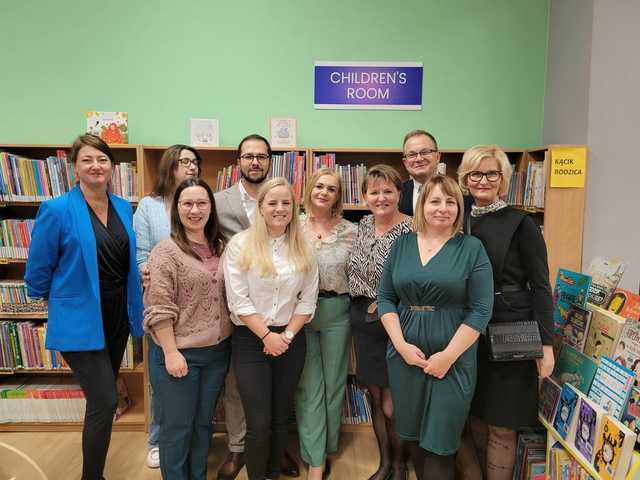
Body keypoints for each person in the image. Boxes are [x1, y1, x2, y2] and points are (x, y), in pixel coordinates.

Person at [25, 134, 144, 480]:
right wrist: (60, 301)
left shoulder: (124, 206)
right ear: (75, 167)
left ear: (111, 166)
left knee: (100, 403)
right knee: (107, 400)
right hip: (80, 319)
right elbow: (38, 269)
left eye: (102, 160)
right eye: (88, 160)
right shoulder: (57, 209)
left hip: (118, 314)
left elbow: (125, 258)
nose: (96, 166)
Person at [377, 175, 494, 480]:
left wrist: (448, 357)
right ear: (422, 205)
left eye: (450, 201)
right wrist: (401, 346)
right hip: (406, 356)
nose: (443, 208)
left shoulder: (471, 248)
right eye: (435, 201)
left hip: (452, 359)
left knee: (441, 444)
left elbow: (481, 309)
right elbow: (386, 299)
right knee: (413, 437)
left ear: (459, 208)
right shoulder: (401, 244)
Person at [456, 145, 555, 480]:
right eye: (475, 174)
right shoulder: (456, 216)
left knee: (502, 425)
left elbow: (541, 286)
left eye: (491, 173)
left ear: (503, 179)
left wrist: (546, 345)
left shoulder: (521, 223)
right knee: (474, 418)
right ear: (465, 178)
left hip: (510, 332)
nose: (483, 180)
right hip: (466, 332)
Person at [214, 134, 302, 479]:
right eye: (248, 156)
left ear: (270, 160)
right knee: (243, 396)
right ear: (238, 161)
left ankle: (271, 457)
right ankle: (240, 452)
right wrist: (266, 334)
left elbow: (306, 294)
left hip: (286, 325)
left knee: (278, 408)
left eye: (261, 156)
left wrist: (286, 333)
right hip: (246, 320)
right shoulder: (219, 203)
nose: (255, 161)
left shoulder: (296, 233)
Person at [223, 177, 319, 480]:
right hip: (251, 340)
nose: (280, 208)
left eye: (286, 203)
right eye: (272, 203)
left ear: (294, 208)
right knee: (259, 421)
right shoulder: (240, 244)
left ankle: (273, 473)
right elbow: (238, 301)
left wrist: (285, 336)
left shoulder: (304, 246)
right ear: (260, 207)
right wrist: (266, 336)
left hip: (291, 339)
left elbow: (308, 300)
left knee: (280, 418)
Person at [144, 177, 230, 480]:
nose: (195, 210)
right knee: (177, 428)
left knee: (202, 425)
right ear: (177, 209)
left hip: (217, 354)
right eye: (187, 204)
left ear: (211, 207)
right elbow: (158, 307)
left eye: (202, 203)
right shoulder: (165, 252)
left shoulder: (223, 247)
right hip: (179, 354)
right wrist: (170, 352)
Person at [133, 144, 201, 469]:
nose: (190, 167)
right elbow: (142, 251)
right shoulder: (149, 205)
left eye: (194, 162)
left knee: (191, 375)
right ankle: (158, 439)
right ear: (169, 166)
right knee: (163, 375)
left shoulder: (200, 201)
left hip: (197, 304)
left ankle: (189, 438)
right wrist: (146, 270)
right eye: (183, 161)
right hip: (162, 299)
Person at [347, 164, 413, 480]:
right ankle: (385, 463)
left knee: (393, 403)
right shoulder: (361, 225)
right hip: (362, 319)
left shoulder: (413, 229)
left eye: (388, 191)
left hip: (396, 322)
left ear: (400, 193)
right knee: (374, 396)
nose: (381, 197)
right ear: (364, 196)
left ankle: (401, 465)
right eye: (374, 192)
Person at [295, 168, 356, 479]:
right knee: (309, 387)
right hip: (300, 314)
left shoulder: (351, 231)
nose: (324, 192)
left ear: (338, 196)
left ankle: (328, 445)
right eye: (319, 186)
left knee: (334, 386)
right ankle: (315, 459)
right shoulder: (291, 226)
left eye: (331, 189)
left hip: (337, 313)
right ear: (309, 190)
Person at [399, 130, 440, 215]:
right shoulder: (398, 193)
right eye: (412, 154)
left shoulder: (456, 192)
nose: (418, 159)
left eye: (425, 152)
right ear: (405, 162)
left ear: (438, 156)